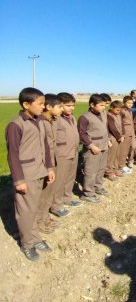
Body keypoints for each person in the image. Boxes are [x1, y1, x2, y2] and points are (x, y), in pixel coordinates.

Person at [5, 87, 56, 261]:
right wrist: (19, 180)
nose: (43, 106)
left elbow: (46, 147)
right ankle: (27, 244)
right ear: (26, 104)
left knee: (33, 208)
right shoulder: (16, 125)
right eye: (40, 103)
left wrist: (49, 168)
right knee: (25, 211)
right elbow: (12, 154)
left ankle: (35, 238)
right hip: (26, 175)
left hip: (40, 171)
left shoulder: (40, 121)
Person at [78, 94, 112, 203]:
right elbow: (81, 134)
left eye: (104, 105)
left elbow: (105, 128)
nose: (104, 107)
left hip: (104, 145)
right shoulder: (84, 117)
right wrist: (91, 146)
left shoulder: (103, 114)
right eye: (101, 105)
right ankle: (88, 193)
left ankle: (98, 187)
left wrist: (108, 139)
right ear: (92, 104)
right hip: (93, 147)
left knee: (101, 168)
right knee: (90, 171)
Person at [39, 94, 63, 233]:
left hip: (52, 160)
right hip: (44, 164)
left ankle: (45, 217)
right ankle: (39, 221)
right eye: (59, 107)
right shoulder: (41, 122)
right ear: (48, 107)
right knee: (43, 193)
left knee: (49, 192)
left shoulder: (51, 120)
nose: (61, 109)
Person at [55, 92, 82, 210]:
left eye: (73, 105)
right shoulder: (55, 119)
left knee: (70, 177)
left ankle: (67, 198)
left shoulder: (72, 118)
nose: (71, 108)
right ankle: (56, 205)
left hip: (73, 152)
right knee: (59, 180)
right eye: (68, 105)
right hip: (62, 154)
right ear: (60, 105)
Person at [105, 100, 124, 181]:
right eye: (117, 110)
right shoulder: (109, 115)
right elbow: (112, 128)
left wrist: (123, 134)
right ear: (112, 107)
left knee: (117, 154)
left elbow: (122, 125)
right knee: (111, 155)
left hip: (120, 137)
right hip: (113, 137)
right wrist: (119, 136)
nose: (119, 112)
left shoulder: (119, 115)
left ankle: (115, 169)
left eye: (120, 110)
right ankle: (108, 172)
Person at [118, 96, 134, 173]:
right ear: (124, 102)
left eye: (132, 103)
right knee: (123, 150)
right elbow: (120, 123)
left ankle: (123, 164)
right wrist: (122, 134)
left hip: (130, 132)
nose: (130, 104)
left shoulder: (129, 111)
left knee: (127, 149)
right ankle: (121, 166)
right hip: (125, 132)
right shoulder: (122, 111)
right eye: (128, 103)